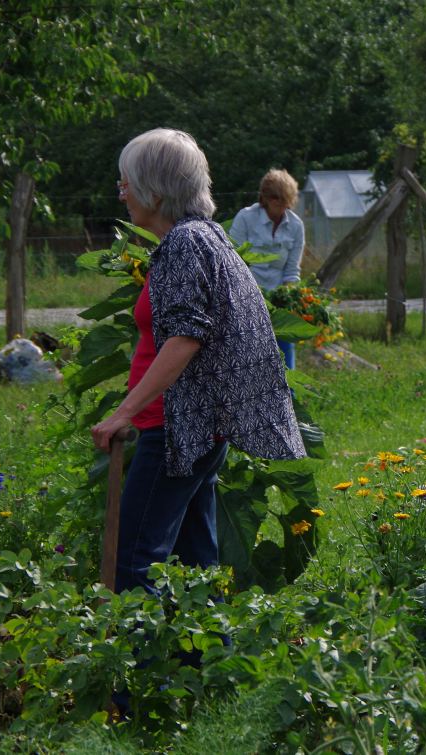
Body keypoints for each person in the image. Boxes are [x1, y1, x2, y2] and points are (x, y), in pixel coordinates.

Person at [91, 128, 306, 594]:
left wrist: (123, 411)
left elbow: (186, 337)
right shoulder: (205, 237)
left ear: (154, 188)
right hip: (196, 428)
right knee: (195, 567)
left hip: (174, 430)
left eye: (126, 182)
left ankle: (138, 666)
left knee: (133, 564)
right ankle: (207, 663)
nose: (122, 193)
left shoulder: (186, 244)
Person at [229, 169, 306, 369]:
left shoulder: (296, 226)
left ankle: (289, 397)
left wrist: (286, 299)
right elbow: (234, 262)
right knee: (249, 355)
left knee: (284, 352)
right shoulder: (245, 218)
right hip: (247, 297)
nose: (279, 204)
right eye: (275, 198)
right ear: (264, 196)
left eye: (284, 200)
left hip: (279, 299)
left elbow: (291, 270)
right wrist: (248, 298)